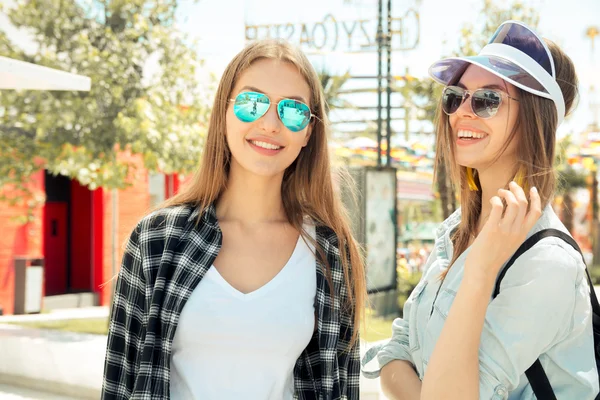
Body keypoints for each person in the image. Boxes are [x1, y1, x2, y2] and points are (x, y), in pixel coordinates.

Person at [102, 39, 366, 400]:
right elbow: (120, 381)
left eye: (292, 110)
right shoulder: (156, 240)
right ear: (223, 114)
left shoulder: (329, 251)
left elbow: (341, 388)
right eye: (251, 103)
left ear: (308, 132)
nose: (270, 123)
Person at [362, 20, 598, 399]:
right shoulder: (454, 232)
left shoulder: (546, 263)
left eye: (488, 100)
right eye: (455, 96)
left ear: (536, 118)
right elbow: (396, 350)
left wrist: (481, 270)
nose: (462, 113)